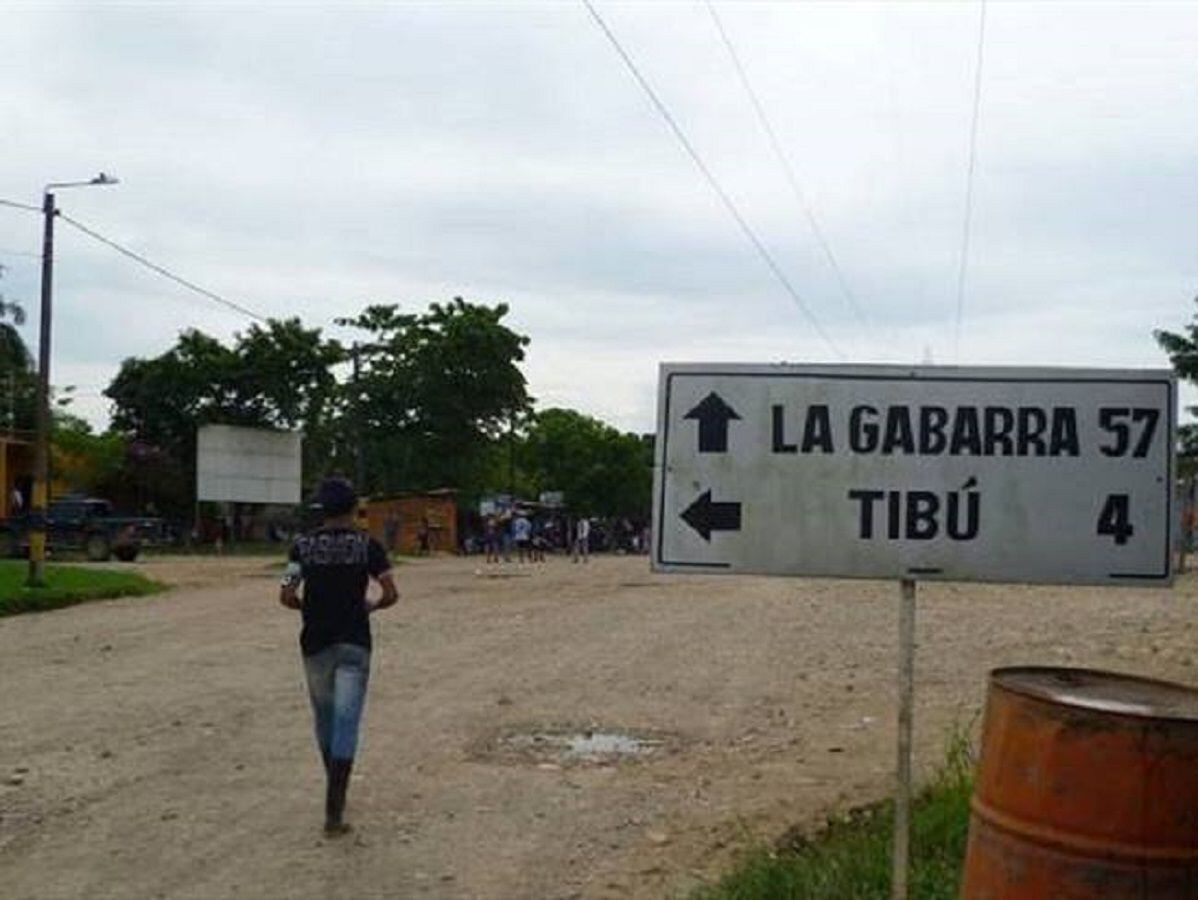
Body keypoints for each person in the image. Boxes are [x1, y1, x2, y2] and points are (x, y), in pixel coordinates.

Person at [279, 477, 398, 836]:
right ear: (353, 508)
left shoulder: (302, 546)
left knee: (325, 719)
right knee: (347, 721)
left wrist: (307, 608)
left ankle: (333, 784)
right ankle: (334, 808)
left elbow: (286, 595)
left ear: (322, 509)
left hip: (315, 642)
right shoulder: (368, 546)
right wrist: (371, 606)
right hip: (355, 642)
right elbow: (391, 593)